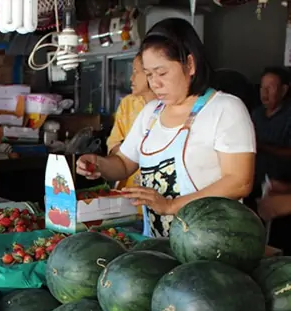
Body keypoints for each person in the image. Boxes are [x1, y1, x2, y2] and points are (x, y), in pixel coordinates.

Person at [76, 18, 255, 238]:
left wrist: (171, 205)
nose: (155, 84)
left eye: (162, 73)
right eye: (149, 75)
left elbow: (239, 181)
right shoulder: (151, 113)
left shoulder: (225, 109)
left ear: (190, 65)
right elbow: (123, 164)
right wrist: (98, 164)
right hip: (157, 246)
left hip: (212, 246)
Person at [106, 54, 157, 189]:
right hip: (130, 186)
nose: (131, 78)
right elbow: (113, 143)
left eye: (135, 71)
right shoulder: (127, 103)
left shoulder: (169, 105)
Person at [250, 67, 291, 202]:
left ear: (283, 90)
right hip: (254, 181)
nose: (264, 93)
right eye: (262, 87)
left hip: (281, 183)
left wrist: (262, 146)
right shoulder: (256, 114)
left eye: (270, 87)